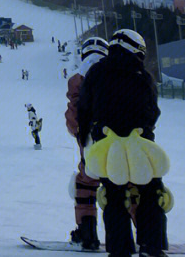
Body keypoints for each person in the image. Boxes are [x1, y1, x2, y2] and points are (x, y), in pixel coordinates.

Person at [78, 29, 169, 257]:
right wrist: (144, 131)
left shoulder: (97, 72)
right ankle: (151, 246)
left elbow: (84, 108)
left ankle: (119, 249)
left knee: (113, 196)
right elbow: (152, 110)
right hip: (139, 145)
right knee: (150, 192)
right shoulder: (141, 74)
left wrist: (87, 138)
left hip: (108, 146)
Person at [65, 36, 108, 250]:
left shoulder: (78, 79)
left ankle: (87, 232)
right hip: (121, 142)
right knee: (128, 185)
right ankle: (145, 232)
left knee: (86, 185)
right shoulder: (119, 72)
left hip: (91, 145)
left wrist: (81, 133)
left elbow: (72, 120)